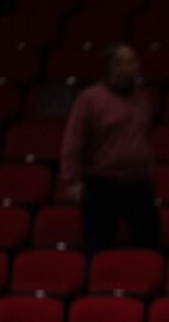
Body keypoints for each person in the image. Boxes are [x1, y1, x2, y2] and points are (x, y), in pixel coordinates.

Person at [60, 42, 158, 254]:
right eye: (131, 61)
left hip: (138, 184)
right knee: (97, 248)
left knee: (150, 247)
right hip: (102, 186)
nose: (138, 65)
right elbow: (73, 141)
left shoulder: (142, 97)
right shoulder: (90, 99)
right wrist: (71, 179)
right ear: (114, 66)